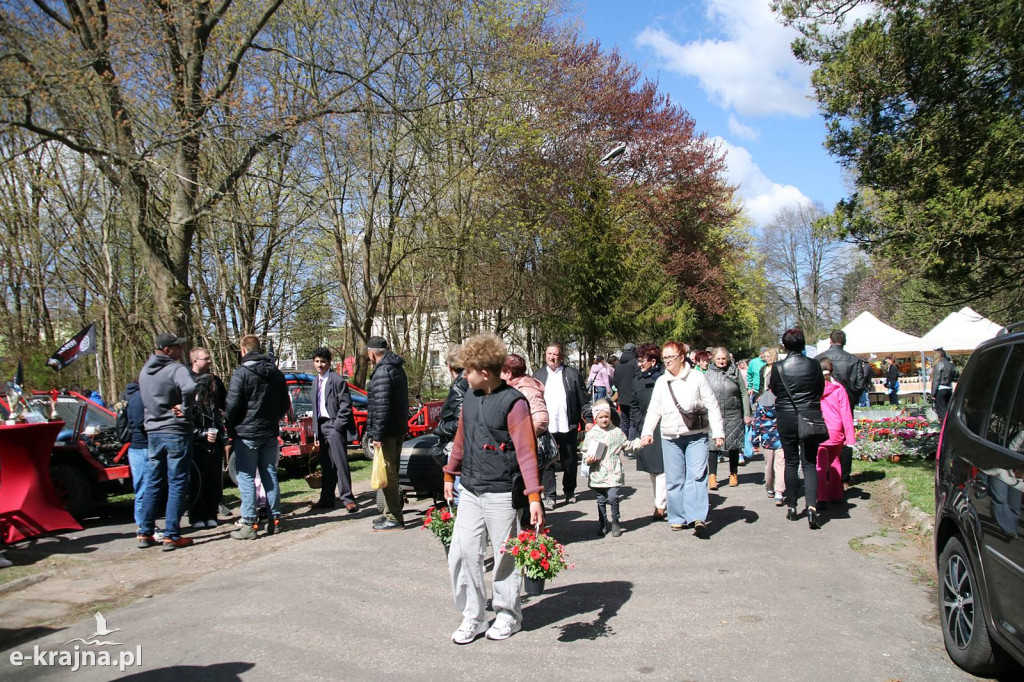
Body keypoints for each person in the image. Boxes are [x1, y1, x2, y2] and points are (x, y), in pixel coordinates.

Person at [443, 333, 544, 644]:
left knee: (505, 555)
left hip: (501, 491)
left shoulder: (514, 403)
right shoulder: (470, 398)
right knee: (462, 552)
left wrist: (534, 496)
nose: (463, 375)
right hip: (471, 489)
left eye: (467, 370)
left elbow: (527, 452)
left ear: (484, 372)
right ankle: (473, 615)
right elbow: (461, 439)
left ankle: (508, 615)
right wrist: (450, 474)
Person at [640, 341, 725, 537]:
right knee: (674, 479)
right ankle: (677, 517)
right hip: (670, 436)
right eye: (665, 358)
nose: (667, 361)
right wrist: (647, 432)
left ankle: (697, 517)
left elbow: (712, 405)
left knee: (696, 476)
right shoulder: (662, 381)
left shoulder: (697, 377)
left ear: (681, 357)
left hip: (696, 435)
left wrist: (718, 432)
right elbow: (654, 409)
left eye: (670, 357)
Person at [225, 334, 290, 539]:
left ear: (243, 350)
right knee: (269, 473)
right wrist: (273, 420)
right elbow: (284, 404)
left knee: (246, 477)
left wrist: (230, 426)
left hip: (246, 434)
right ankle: (275, 519)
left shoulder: (241, 373)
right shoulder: (276, 373)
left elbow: (232, 405)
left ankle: (249, 524)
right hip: (269, 432)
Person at [138, 332, 197, 551]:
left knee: (153, 481)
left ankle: (145, 531)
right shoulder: (176, 369)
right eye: (178, 347)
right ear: (167, 350)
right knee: (177, 483)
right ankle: (172, 534)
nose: (181, 351)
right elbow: (190, 388)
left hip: (153, 432)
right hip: (176, 431)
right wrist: (185, 408)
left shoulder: (145, 372)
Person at [769, 329, 827, 529]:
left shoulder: (779, 367)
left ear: (785, 346)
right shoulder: (814, 365)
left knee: (791, 462)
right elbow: (820, 389)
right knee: (810, 462)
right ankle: (811, 506)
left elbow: (775, 389)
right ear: (803, 345)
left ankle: (792, 506)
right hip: (810, 415)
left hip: (786, 415)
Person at [533, 342, 591, 509]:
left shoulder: (572, 374)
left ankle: (569, 491)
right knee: (548, 461)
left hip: (568, 424)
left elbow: (583, 399)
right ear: (545, 355)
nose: (552, 357)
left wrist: (588, 420)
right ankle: (550, 495)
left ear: (562, 356)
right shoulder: (538, 375)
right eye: (549, 354)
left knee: (570, 461)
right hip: (546, 427)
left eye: (555, 354)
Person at [365, 336, 409, 531]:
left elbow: (381, 407)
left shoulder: (383, 371)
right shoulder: (396, 368)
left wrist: (377, 435)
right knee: (390, 474)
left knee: (388, 475)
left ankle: (394, 517)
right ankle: (389, 514)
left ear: (372, 352)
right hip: (396, 429)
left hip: (388, 432)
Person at [817, 330, 869, 484]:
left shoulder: (818, 359)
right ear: (844, 342)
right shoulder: (854, 360)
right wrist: (851, 398)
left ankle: (825, 474)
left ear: (830, 341)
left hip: (823, 406)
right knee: (845, 439)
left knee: (823, 441)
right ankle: (843, 477)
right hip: (845, 403)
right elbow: (860, 384)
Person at [310, 347, 358, 513]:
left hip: (334, 425)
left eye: (323, 361)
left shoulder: (337, 380)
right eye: (317, 361)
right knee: (326, 464)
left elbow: (346, 406)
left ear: (329, 362)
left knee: (340, 462)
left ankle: (348, 499)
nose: (320, 364)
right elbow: (316, 407)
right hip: (321, 426)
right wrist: (316, 431)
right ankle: (327, 499)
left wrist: (338, 425)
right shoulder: (315, 381)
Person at [704, 347, 752, 489]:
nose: (721, 361)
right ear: (713, 359)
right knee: (713, 446)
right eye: (718, 359)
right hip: (714, 414)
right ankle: (712, 476)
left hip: (733, 413)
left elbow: (743, 393)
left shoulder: (735, 372)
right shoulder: (708, 374)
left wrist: (747, 413)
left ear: (728, 359)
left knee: (733, 445)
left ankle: (733, 473)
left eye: (723, 359)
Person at [123, 378, 162, 546]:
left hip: (143, 447)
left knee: (147, 487)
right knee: (144, 488)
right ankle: (144, 526)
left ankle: (147, 525)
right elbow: (140, 423)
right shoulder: (139, 398)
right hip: (141, 448)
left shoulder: (138, 396)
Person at [630, 344, 666, 519]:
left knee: (661, 468)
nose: (639, 364)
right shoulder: (637, 379)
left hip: (665, 425)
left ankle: (660, 505)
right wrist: (638, 423)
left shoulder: (665, 377)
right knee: (653, 468)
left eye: (642, 361)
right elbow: (634, 404)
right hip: (645, 425)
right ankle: (659, 501)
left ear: (653, 361)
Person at [582, 400, 628, 537]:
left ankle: (615, 521)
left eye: (606, 416)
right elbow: (585, 452)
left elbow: (627, 444)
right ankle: (602, 522)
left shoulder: (617, 432)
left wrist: (641, 442)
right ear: (596, 418)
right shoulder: (591, 434)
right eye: (601, 417)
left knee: (613, 497)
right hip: (598, 472)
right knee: (601, 499)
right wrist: (588, 460)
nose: (604, 420)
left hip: (614, 471)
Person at [188, 373, 228, 528]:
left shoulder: (213, 406)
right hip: (199, 448)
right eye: (212, 384)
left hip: (215, 448)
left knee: (214, 483)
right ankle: (196, 516)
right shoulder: (193, 406)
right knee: (198, 483)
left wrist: (223, 440)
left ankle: (211, 514)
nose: (215, 387)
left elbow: (219, 425)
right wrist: (203, 434)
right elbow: (189, 427)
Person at [817, 358, 855, 506]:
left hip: (819, 429)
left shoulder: (814, 388)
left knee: (819, 464)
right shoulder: (839, 388)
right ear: (832, 370)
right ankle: (836, 494)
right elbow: (846, 413)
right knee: (835, 461)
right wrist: (850, 437)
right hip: (836, 429)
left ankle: (820, 497)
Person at [434, 345, 469, 499]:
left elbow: (462, 420)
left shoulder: (460, 386)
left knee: (460, 495)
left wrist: (440, 429)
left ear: (449, 366)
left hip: (458, 445)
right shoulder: (470, 381)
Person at [612, 343, 639, 438]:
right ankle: (631, 448)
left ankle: (623, 444)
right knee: (633, 423)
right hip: (633, 398)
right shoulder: (636, 363)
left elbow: (614, 382)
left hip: (622, 398)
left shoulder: (619, 366)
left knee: (624, 422)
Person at [930, 348, 957, 423]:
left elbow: (936, 380)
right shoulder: (951, 364)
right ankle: (949, 425)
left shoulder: (939, 364)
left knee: (941, 411)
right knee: (947, 409)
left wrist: (933, 393)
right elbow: (955, 375)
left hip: (940, 389)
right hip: (949, 388)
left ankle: (945, 427)